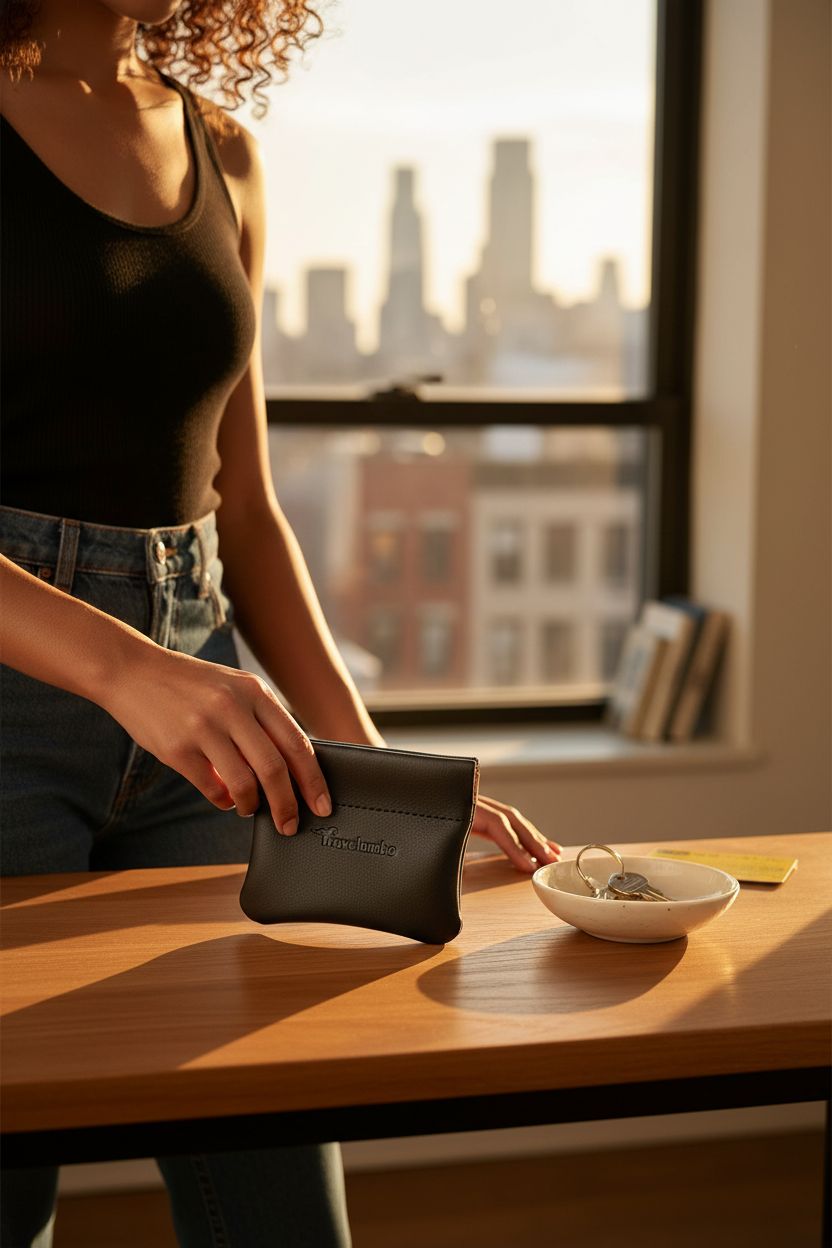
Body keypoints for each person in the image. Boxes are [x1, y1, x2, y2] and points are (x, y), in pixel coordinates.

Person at [0, 2, 563, 1244]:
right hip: (22, 698)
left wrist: (378, 769)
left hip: (209, 703)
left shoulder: (223, 148)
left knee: (277, 1179)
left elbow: (244, 511)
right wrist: (124, 670)